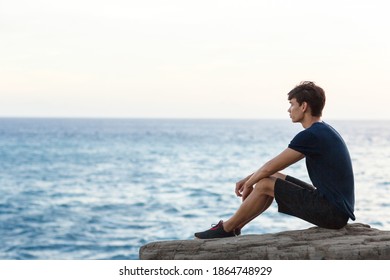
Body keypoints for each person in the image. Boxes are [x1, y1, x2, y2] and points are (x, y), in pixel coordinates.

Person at [194, 81, 355, 239]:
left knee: (265, 184)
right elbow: (272, 170)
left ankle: (227, 227)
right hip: (335, 209)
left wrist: (249, 183)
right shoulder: (323, 130)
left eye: (292, 104)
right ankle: (235, 227)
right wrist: (249, 179)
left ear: (304, 106)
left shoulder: (311, 135)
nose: (289, 109)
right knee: (274, 177)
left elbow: (269, 167)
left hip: (332, 214)